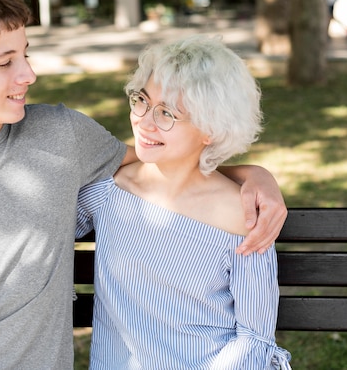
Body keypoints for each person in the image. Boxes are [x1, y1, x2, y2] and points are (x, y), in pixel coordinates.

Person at [0, 0, 287, 369]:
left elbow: (169, 161)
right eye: (5, 63)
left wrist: (254, 175)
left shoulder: (63, 136)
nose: (29, 74)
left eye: (26, 54)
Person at [75, 36, 292, 369]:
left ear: (211, 129)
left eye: (167, 113)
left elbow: (254, 336)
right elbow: (39, 232)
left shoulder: (242, 215)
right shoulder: (108, 192)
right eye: (142, 101)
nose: (145, 122)